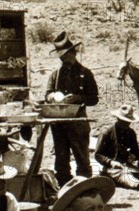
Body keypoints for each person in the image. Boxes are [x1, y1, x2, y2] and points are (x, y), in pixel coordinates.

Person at [46, 32, 98, 186]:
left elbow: (94, 99)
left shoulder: (86, 74)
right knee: (61, 161)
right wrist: (52, 96)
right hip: (59, 123)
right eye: (61, 57)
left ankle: (83, 190)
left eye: (66, 56)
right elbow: (47, 94)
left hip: (78, 123)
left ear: (74, 53)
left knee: (82, 158)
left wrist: (78, 98)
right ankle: (65, 189)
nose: (63, 59)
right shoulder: (55, 75)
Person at [94, 104, 139, 191]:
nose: (126, 124)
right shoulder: (106, 133)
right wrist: (111, 162)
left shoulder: (131, 133)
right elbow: (98, 155)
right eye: (124, 122)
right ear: (118, 119)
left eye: (128, 122)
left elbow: (136, 151)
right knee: (126, 177)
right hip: (111, 168)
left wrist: (133, 156)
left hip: (127, 165)